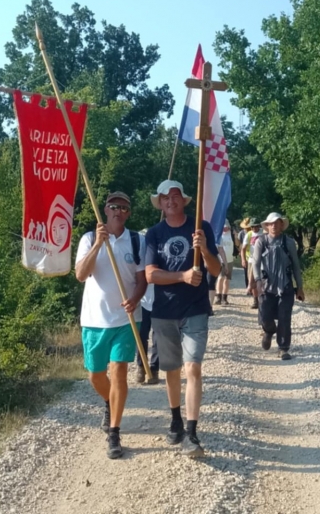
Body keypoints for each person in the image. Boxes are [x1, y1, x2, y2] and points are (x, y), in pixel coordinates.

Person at [144, 179, 221, 458]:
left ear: (184, 200)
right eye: (165, 197)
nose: (170, 201)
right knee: (172, 370)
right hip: (164, 311)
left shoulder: (201, 227)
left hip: (195, 309)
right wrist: (183, 276)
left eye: (175, 195)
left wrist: (205, 249)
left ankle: (192, 432)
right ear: (160, 204)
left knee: (193, 368)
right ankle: (175, 418)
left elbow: (216, 269)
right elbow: (150, 274)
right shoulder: (154, 234)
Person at [74, 191, 147, 459]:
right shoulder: (88, 238)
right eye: (114, 206)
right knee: (95, 375)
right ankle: (109, 401)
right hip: (94, 320)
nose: (118, 211)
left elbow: (142, 279)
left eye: (124, 208)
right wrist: (98, 245)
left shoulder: (137, 240)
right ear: (105, 209)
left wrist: (135, 299)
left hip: (126, 319)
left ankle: (114, 433)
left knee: (119, 373)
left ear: (129, 213)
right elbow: (81, 274)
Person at [251, 212, 305, 360]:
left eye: (277, 223)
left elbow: (295, 265)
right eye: (271, 223)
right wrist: (257, 280)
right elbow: (256, 263)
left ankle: (283, 348)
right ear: (267, 226)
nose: (274, 226)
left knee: (284, 317)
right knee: (265, 316)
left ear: (282, 225)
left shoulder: (289, 242)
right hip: (266, 286)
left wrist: (299, 287)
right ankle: (269, 331)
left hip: (285, 285)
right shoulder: (261, 241)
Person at [135, 232, 159, 385]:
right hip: (142, 301)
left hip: (160, 301)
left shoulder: (159, 255)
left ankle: (154, 368)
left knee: (158, 337)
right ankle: (141, 367)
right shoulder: (137, 257)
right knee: (141, 335)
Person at [241, 219, 263, 308]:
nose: (255, 228)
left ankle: (262, 299)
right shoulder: (249, 235)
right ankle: (255, 300)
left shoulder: (263, 233)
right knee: (252, 280)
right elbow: (243, 249)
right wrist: (243, 260)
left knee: (263, 279)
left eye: (256, 226)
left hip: (263, 259)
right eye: (253, 226)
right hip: (251, 260)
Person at [215, 221, 236, 305]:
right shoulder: (219, 235)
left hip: (230, 259)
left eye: (226, 227)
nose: (225, 228)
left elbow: (237, 245)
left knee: (227, 279)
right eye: (223, 227)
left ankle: (224, 297)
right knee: (220, 278)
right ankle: (218, 297)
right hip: (220, 260)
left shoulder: (232, 235)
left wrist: (235, 236)